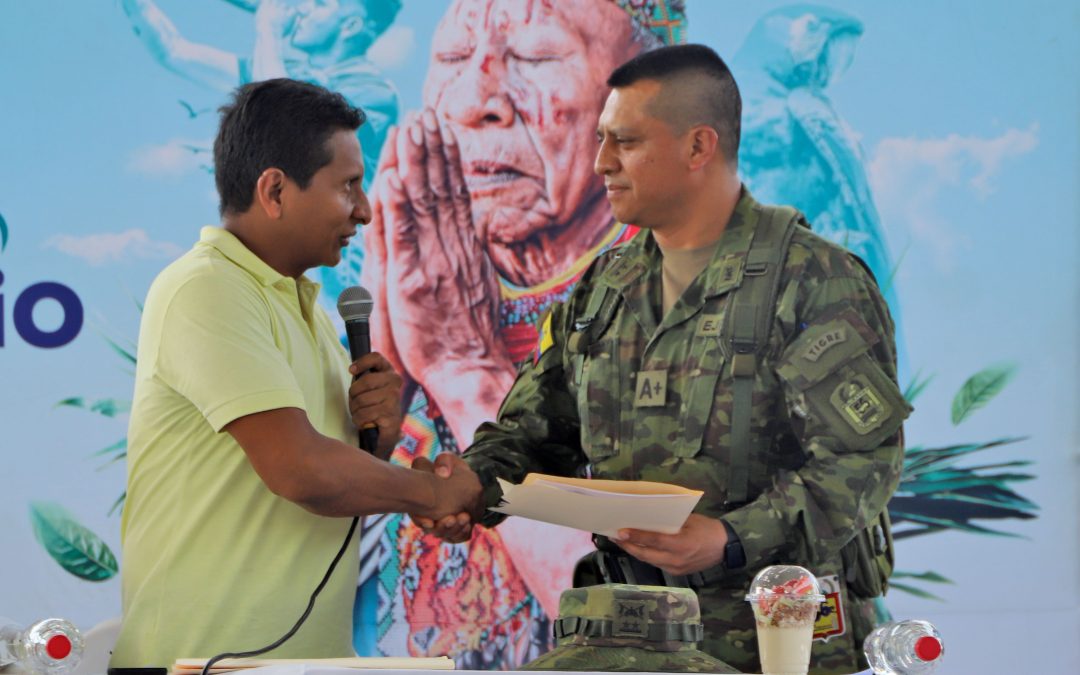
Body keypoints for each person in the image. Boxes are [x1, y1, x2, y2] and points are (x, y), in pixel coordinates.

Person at [418, 44, 911, 675]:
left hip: (780, 646)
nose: (601, 162)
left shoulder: (812, 279)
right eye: (601, 140)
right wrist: (473, 484)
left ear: (698, 146)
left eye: (624, 142)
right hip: (632, 643)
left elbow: (862, 462)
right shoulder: (605, 287)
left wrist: (729, 538)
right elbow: (534, 433)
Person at [109, 78, 480, 670]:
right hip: (197, 662)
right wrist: (433, 493)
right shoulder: (206, 289)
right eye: (348, 185)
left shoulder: (307, 310)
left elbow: (327, 484)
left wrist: (377, 445)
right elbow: (301, 470)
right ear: (275, 190)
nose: (364, 210)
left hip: (300, 663)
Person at [359, 0, 686, 666]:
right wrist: (383, 388)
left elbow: (646, 629)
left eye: (536, 58)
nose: (472, 102)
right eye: (452, 58)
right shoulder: (401, 268)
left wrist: (464, 372)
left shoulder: (694, 303)